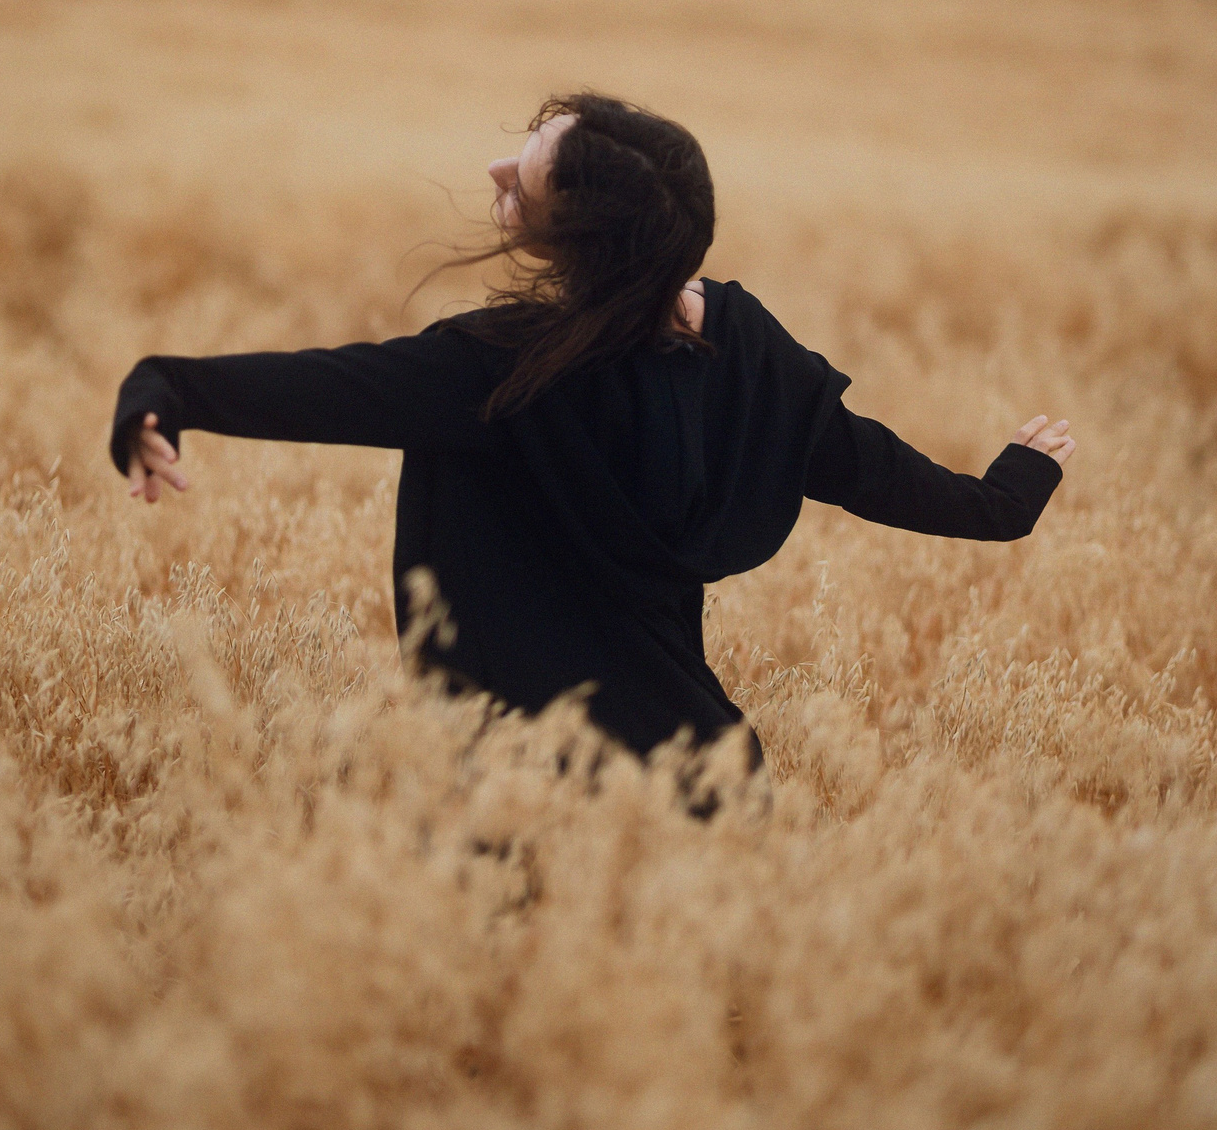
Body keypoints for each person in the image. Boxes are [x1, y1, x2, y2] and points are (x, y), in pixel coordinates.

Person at [111, 93, 1074, 769]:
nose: (495, 168)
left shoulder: (504, 366)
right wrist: (1007, 495)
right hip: (700, 778)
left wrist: (164, 390)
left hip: (523, 789)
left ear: (574, 242)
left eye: (522, 182)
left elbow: (325, 389)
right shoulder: (753, 359)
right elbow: (879, 473)